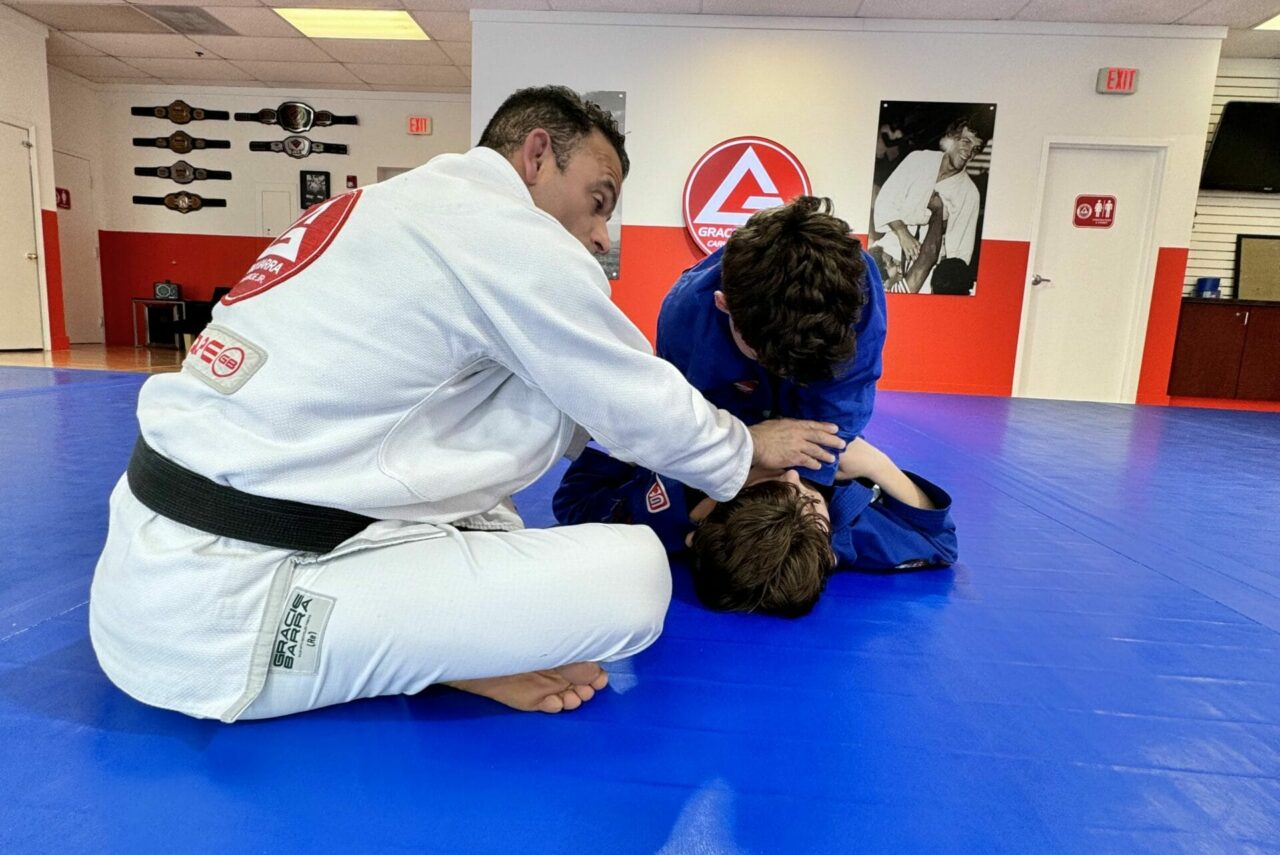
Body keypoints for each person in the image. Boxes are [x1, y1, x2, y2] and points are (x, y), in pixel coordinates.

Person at [88, 86, 845, 722]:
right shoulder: (501, 229)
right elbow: (628, 397)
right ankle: (442, 652)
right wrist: (744, 452)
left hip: (159, 560)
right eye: (597, 199)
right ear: (536, 153)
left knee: (513, 443)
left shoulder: (389, 210)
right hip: (228, 608)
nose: (601, 233)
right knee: (638, 578)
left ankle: (449, 641)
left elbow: (562, 408)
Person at [552, 436, 957, 616]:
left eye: (760, 483)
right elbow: (940, 546)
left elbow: (572, 501)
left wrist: (659, 454)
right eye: (807, 499)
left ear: (704, 519)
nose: (792, 475)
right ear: (829, 550)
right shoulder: (844, 534)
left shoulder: (658, 512)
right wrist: (874, 464)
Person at [657, 196, 885, 490]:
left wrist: (807, 484)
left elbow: (844, 399)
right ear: (724, 305)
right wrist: (750, 444)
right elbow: (685, 427)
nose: (781, 372)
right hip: (732, 421)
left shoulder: (853, 289)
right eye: (762, 355)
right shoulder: (685, 317)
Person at [871, 116, 985, 293]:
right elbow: (886, 200)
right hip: (888, 253)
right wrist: (903, 233)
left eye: (975, 148)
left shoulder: (969, 194)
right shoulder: (919, 160)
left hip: (927, 273)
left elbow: (959, 253)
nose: (969, 152)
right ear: (950, 138)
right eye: (966, 141)